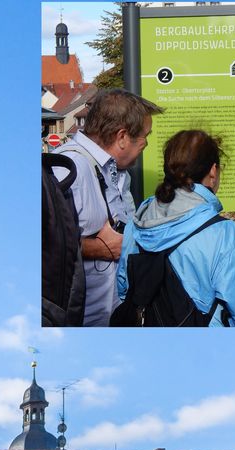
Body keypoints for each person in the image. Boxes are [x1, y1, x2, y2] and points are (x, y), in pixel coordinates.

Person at [116, 129, 235, 327]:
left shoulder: (137, 224)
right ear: (213, 171)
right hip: (205, 351)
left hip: (149, 346)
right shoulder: (224, 234)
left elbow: (124, 291)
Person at [54, 88, 164, 326]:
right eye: (145, 135)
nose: (147, 142)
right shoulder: (67, 168)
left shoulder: (118, 173)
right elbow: (43, 244)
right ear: (122, 137)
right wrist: (104, 248)